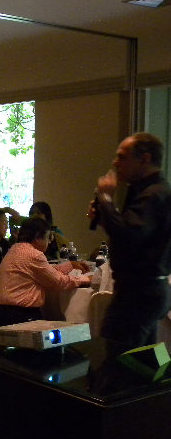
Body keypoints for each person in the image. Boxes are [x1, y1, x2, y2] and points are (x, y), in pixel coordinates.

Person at [89, 132, 171, 347]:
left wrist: (105, 198)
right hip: (148, 290)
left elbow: (128, 235)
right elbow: (136, 238)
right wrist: (106, 218)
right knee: (144, 358)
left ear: (145, 158)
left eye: (122, 156)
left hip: (138, 293)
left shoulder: (153, 194)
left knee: (116, 355)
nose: (115, 162)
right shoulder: (152, 191)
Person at [0, 217, 90, 326]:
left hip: (1, 315)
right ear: (37, 237)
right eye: (48, 237)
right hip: (21, 317)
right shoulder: (34, 254)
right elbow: (59, 282)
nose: (49, 241)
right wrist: (86, 279)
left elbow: (45, 272)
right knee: (68, 330)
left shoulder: (14, 249)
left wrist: (71, 265)